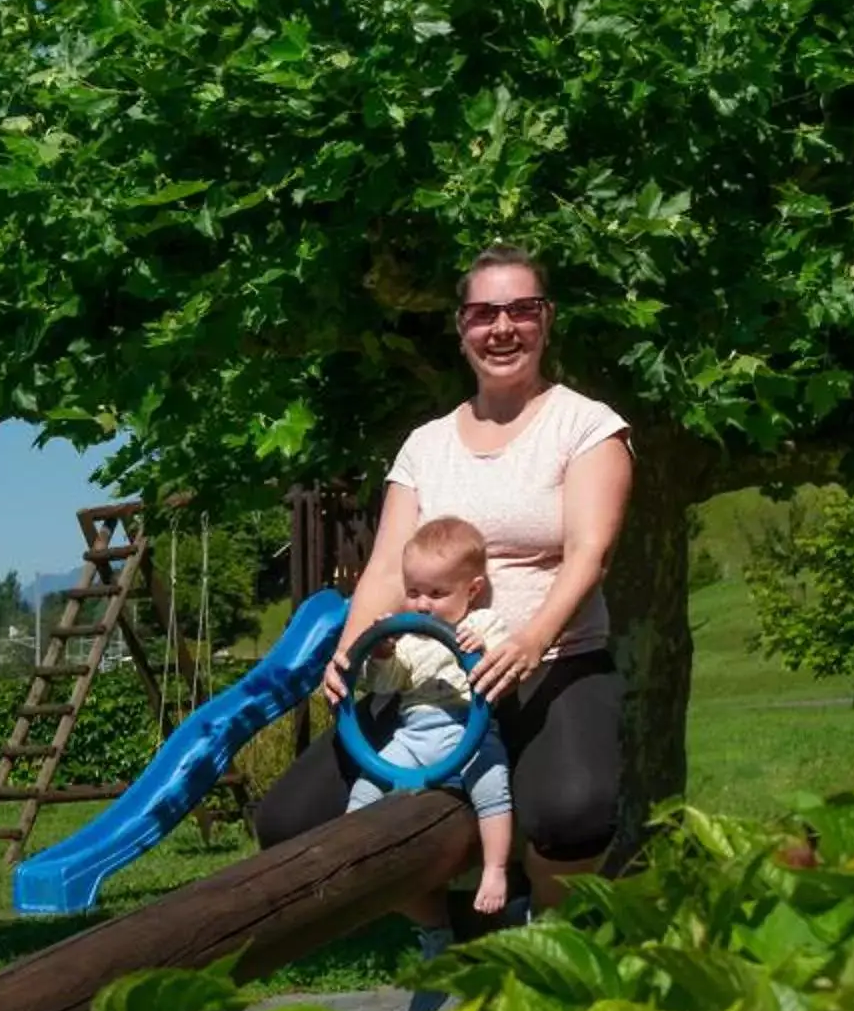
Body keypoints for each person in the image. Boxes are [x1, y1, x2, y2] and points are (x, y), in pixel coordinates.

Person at [255, 243, 634, 941]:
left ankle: (549, 940)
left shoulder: (586, 425)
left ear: (546, 321)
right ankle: (445, 926)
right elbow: (385, 574)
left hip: (549, 666)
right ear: (460, 328)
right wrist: (351, 651)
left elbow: (591, 552)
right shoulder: (426, 446)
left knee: (572, 811)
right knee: (288, 823)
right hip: (430, 682)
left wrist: (530, 640)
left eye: (522, 309)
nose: (503, 328)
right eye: (484, 313)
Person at [344, 515, 517, 917]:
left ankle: (496, 868)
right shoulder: (407, 638)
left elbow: (504, 666)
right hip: (415, 734)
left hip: (468, 731)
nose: (422, 604)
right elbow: (386, 685)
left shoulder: (483, 623)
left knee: (493, 788)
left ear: (471, 590)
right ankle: (352, 857)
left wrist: (484, 648)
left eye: (437, 593)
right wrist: (382, 653)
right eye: (414, 592)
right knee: (368, 785)